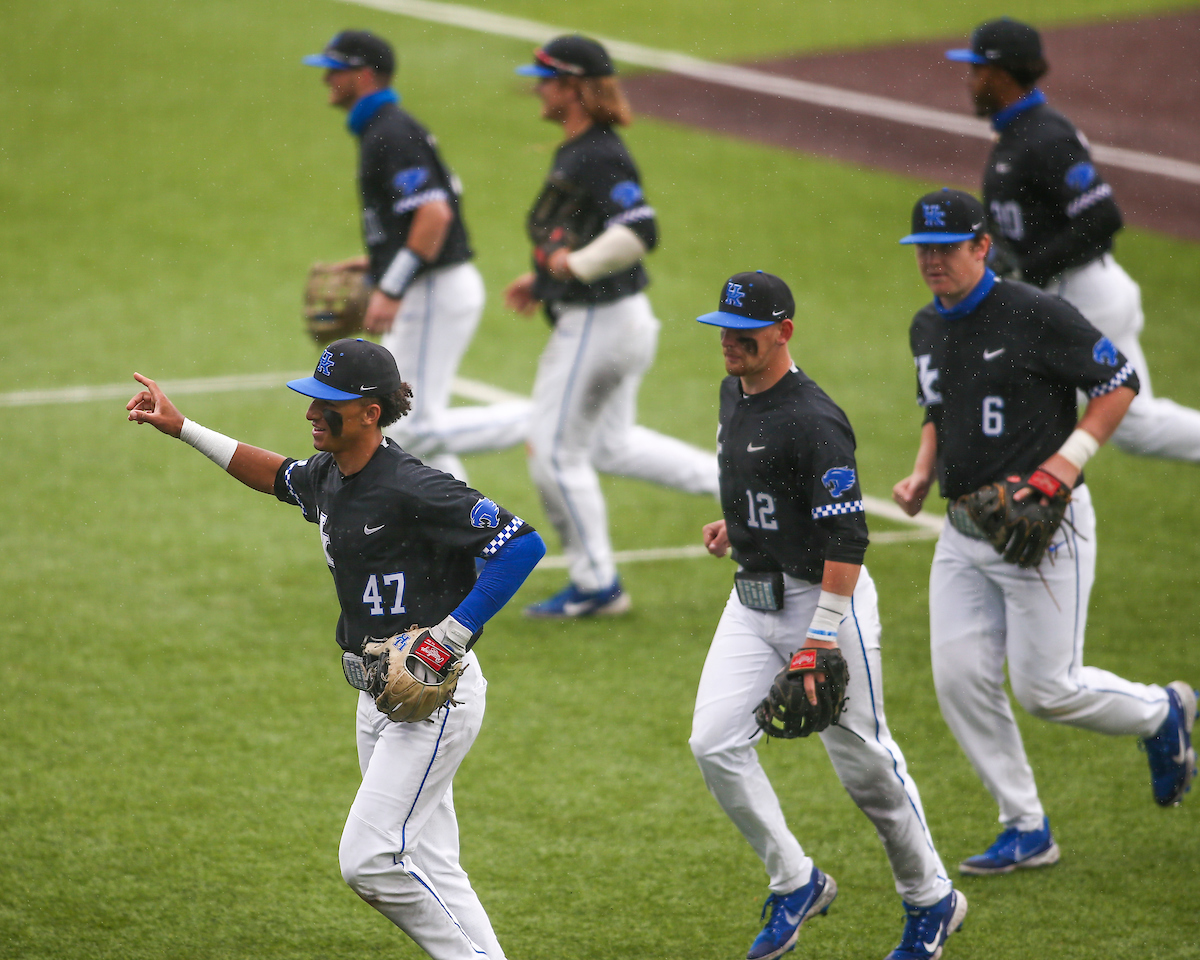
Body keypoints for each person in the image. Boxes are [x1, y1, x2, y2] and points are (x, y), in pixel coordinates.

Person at [126, 338, 546, 960]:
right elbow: (276, 476)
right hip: (378, 696)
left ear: (370, 413)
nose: (311, 412)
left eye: (328, 403)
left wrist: (448, 638)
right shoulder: (331, 475)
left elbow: (521, 545)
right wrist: (184, 427)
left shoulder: (413, 485)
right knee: (433, 864)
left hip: (433, 698)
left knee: (370, 861)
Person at [891, 188, 1196, 876]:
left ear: (982, 246)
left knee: (1047, 689)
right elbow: (938, 409)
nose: (932, 262)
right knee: (959, 681)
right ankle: (1025, 825)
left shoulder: (1036, 312)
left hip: (1046, 530)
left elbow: (1118, 381)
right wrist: (921, 473)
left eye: (946, 249)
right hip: (963, 531)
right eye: (923, 250)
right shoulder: (926, 326)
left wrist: (1064, 465)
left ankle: (1162, 712)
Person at [690, 271, 966, 960]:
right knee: (714, 743)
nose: (730, 341)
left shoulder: (815, 421)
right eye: (724, 328)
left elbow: (847, 538)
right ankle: (797, 880)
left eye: (745, 331)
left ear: (783, 331)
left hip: (825, 606)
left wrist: (819, 638)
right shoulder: (733, 392)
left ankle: (931, 898)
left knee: (866, 768)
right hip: (752, 599)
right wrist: (736, 526)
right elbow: (759, 484)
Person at [504, 35, 719, 618]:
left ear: (573, 86)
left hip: (599, 325)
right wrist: (544, 280)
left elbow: (640, 229)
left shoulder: (597, 153)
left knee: (553, 452)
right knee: (610, 445)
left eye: (546, 79)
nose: (537, 89)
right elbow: (584, 229)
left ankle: (597, 584)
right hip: (618, 319)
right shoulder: (581, 149)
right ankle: (740, 484)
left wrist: (574, 267)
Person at [945, 17, 1200, 462]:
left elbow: (1102, 216)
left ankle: (1038, 486)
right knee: (1135, 426)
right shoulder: (1018, 131)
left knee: (1024, 406)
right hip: (1067, 294)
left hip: (1083, 297)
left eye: (977, 69)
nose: (970, 80)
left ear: (1002, 75)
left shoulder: (1046, 136)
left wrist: (1030, 267)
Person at [305, 30, 530, 482]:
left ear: (364, 75)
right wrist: (377, 261)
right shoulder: (384, 128)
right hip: (431, 285)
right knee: (412, 430)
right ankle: (464, 520)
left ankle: (542, 420)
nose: (326, 78)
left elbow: (434, 214)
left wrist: (390, 286)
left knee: (409, 426)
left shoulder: (390, 131)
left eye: (335, 69)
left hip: (432, 290)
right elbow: (416, 216)